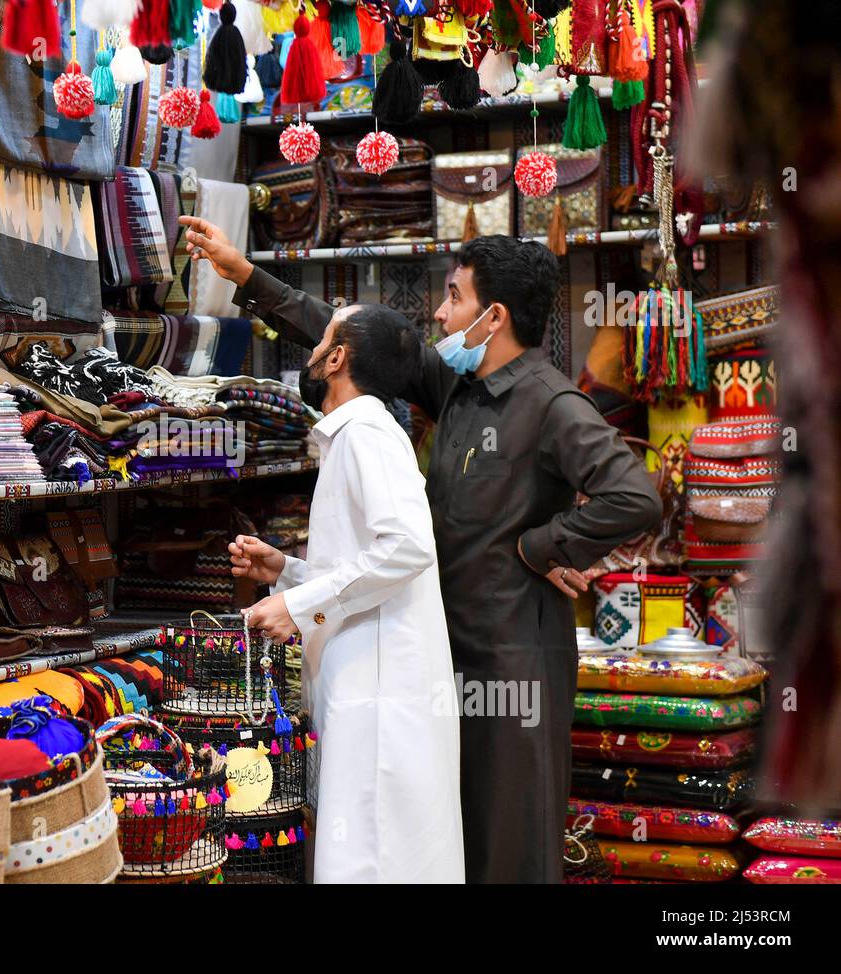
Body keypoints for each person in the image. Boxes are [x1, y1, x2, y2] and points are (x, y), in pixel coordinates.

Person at [185, 215, 662, 883]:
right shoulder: (458, 387)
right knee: (443, 834)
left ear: (492, 316)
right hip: (442, 651)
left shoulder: (552, 403)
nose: (439, 313)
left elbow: (634, 497)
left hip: (511, 660)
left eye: (454, 297)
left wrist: (540, 546)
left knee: (508, 838)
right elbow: (359, 341)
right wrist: (247, 277)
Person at [229, 302, 464, 884]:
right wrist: (285, 571)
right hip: (367, 682)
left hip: (379, 694)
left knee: (371, 854)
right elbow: (364, 569)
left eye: (326, 335)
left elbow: (408, 549)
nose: (313, 346)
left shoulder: (367, 434)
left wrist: (298, 606)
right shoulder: (357, 435)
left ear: (336, 358)